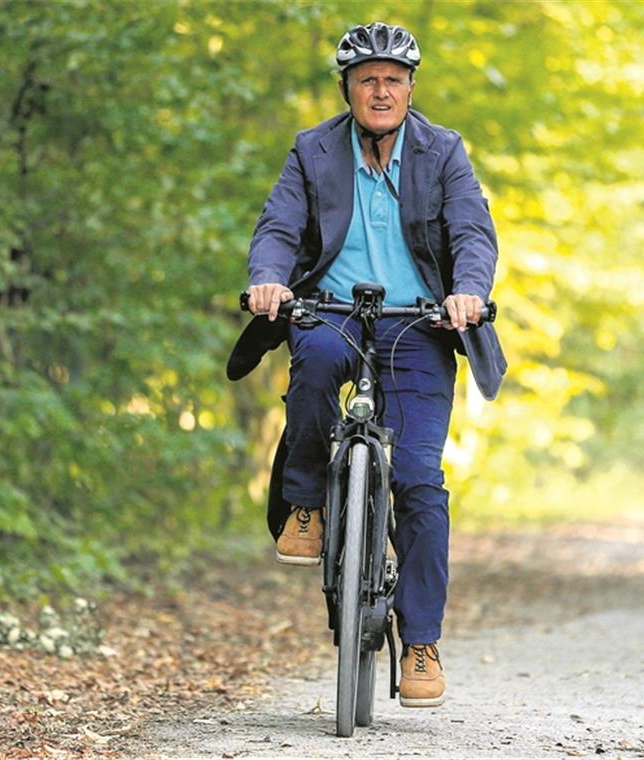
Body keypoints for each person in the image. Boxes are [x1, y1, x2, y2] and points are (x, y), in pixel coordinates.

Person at [227, 21, 506, 708]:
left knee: (417, 480)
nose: (380, 91)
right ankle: (305, 501)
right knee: (315, 363)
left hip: (420, 322)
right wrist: (270, 280)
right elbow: (279, 228)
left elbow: (472, 229)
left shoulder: (443, 152)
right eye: (367, 80)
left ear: (410, 89)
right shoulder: (313, 150)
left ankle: (420, 642)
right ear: (348, 89)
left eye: (393, 80)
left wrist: (468, 292)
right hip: (330, 309)